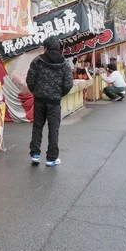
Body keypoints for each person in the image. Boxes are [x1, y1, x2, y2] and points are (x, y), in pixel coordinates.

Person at [25, 36, 73, 166]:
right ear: (57, 48)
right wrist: (59, 94)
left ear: (45, 47)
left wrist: (35, 91)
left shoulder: (37, 61)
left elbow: (30, 80)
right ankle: (51, 158)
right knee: (54, 129)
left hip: (39, 100)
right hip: (54, 102)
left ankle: (35, 154)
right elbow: (68, 84)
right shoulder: (64, 63)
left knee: (37, 126)